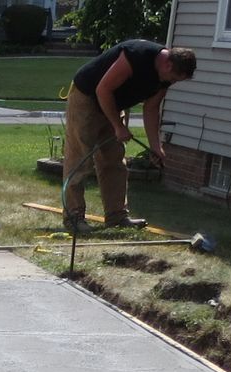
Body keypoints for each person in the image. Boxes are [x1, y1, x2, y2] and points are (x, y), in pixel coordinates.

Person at [63, 41, 198, 234]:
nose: (172, 82)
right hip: (87, 97)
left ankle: (116, 216)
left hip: (112, 104)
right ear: (168, 64)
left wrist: (156, 146)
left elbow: (151, 109)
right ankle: (74, 217)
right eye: (174, 78)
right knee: (79, 158)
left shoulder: (165, 77)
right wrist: (118, 126)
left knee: (114, 160)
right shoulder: (136, 55)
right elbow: (103, 89)